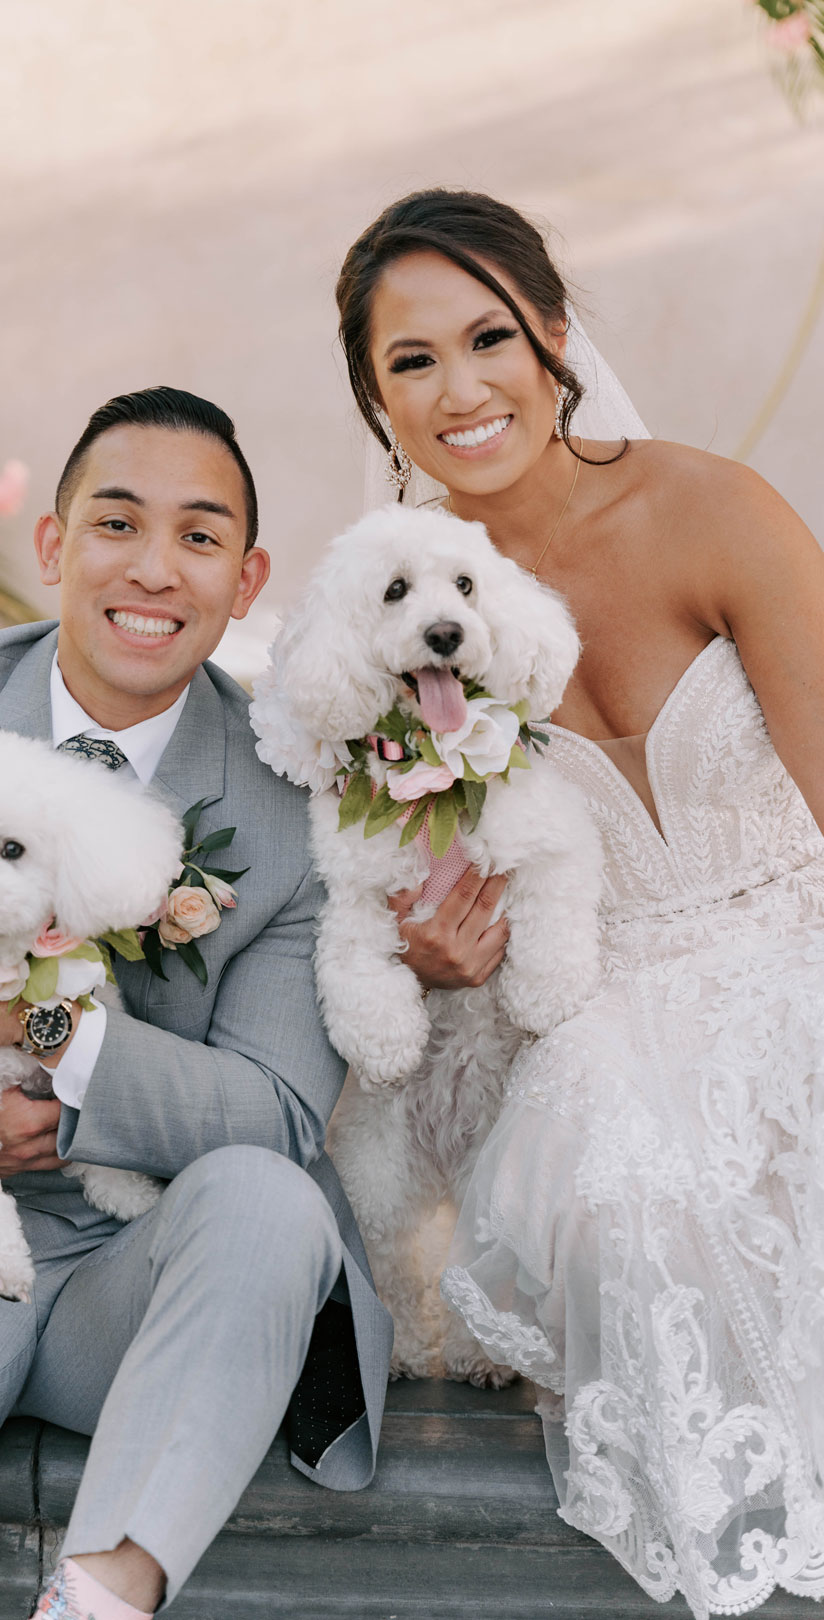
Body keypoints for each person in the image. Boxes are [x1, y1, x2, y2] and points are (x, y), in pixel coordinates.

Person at [0, 385, 421, 1620]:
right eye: (117, 523)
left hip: (147, 1268)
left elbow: (274, 1112)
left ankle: (100, 1600)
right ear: (54, 543)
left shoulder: (292, 799)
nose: (154, 568)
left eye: (199, 537)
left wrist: (31, 1031)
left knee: (269, 1198)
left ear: (247, 579)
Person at [333, 189, 824, 1618]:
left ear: (555, 334)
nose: (460, 388)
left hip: (796, 927)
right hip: (606, 997)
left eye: (489, 337)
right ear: (377, 401)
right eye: (412, 361)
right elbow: (420, 878)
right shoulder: (399, 612)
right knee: (626, 1205)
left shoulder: (711, 508)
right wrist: (431, 956)